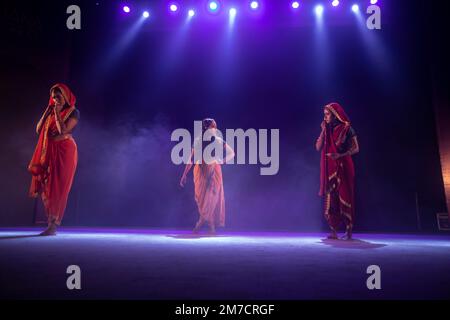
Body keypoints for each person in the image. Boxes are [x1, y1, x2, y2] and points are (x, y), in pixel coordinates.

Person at [28, 84, 79, 236]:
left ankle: (53, 226)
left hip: (65, 152)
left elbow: (64, 131)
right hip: (50, 151)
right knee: (48, 186)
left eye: (59, 96)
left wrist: (56, 113)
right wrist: (47, 111)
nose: (56, 99)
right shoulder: (51, 111)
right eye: (54, 97)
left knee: (59, 187)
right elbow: (38, 129)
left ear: (66, 96)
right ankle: (50, 223)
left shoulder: (73, 112)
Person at [180, 118, 235, 235]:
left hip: (214, 171)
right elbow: (191, 159)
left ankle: (201, 224)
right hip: (200, 170)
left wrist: (223, 161)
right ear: (206, 128)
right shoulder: (198, 141)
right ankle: (210, 226)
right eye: (212, 126)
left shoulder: (219, 140)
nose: (215, 128)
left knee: (211, 198)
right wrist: (184, 174)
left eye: (215, 126)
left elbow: (232, 153)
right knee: (201, 199)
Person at [316, 103, 359, 240]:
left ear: (335, 115)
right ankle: (333, 230)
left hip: (343, 166)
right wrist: (323, 131)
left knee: (345, 197)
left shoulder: (347, 129)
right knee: (332, 198)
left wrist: (339, 156)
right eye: (324, 114)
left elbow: (356, 148)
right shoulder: (326, 130)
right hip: (330, 169)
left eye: (327, 114)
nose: (325, 117)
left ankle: (349, 229)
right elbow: (318, 147)